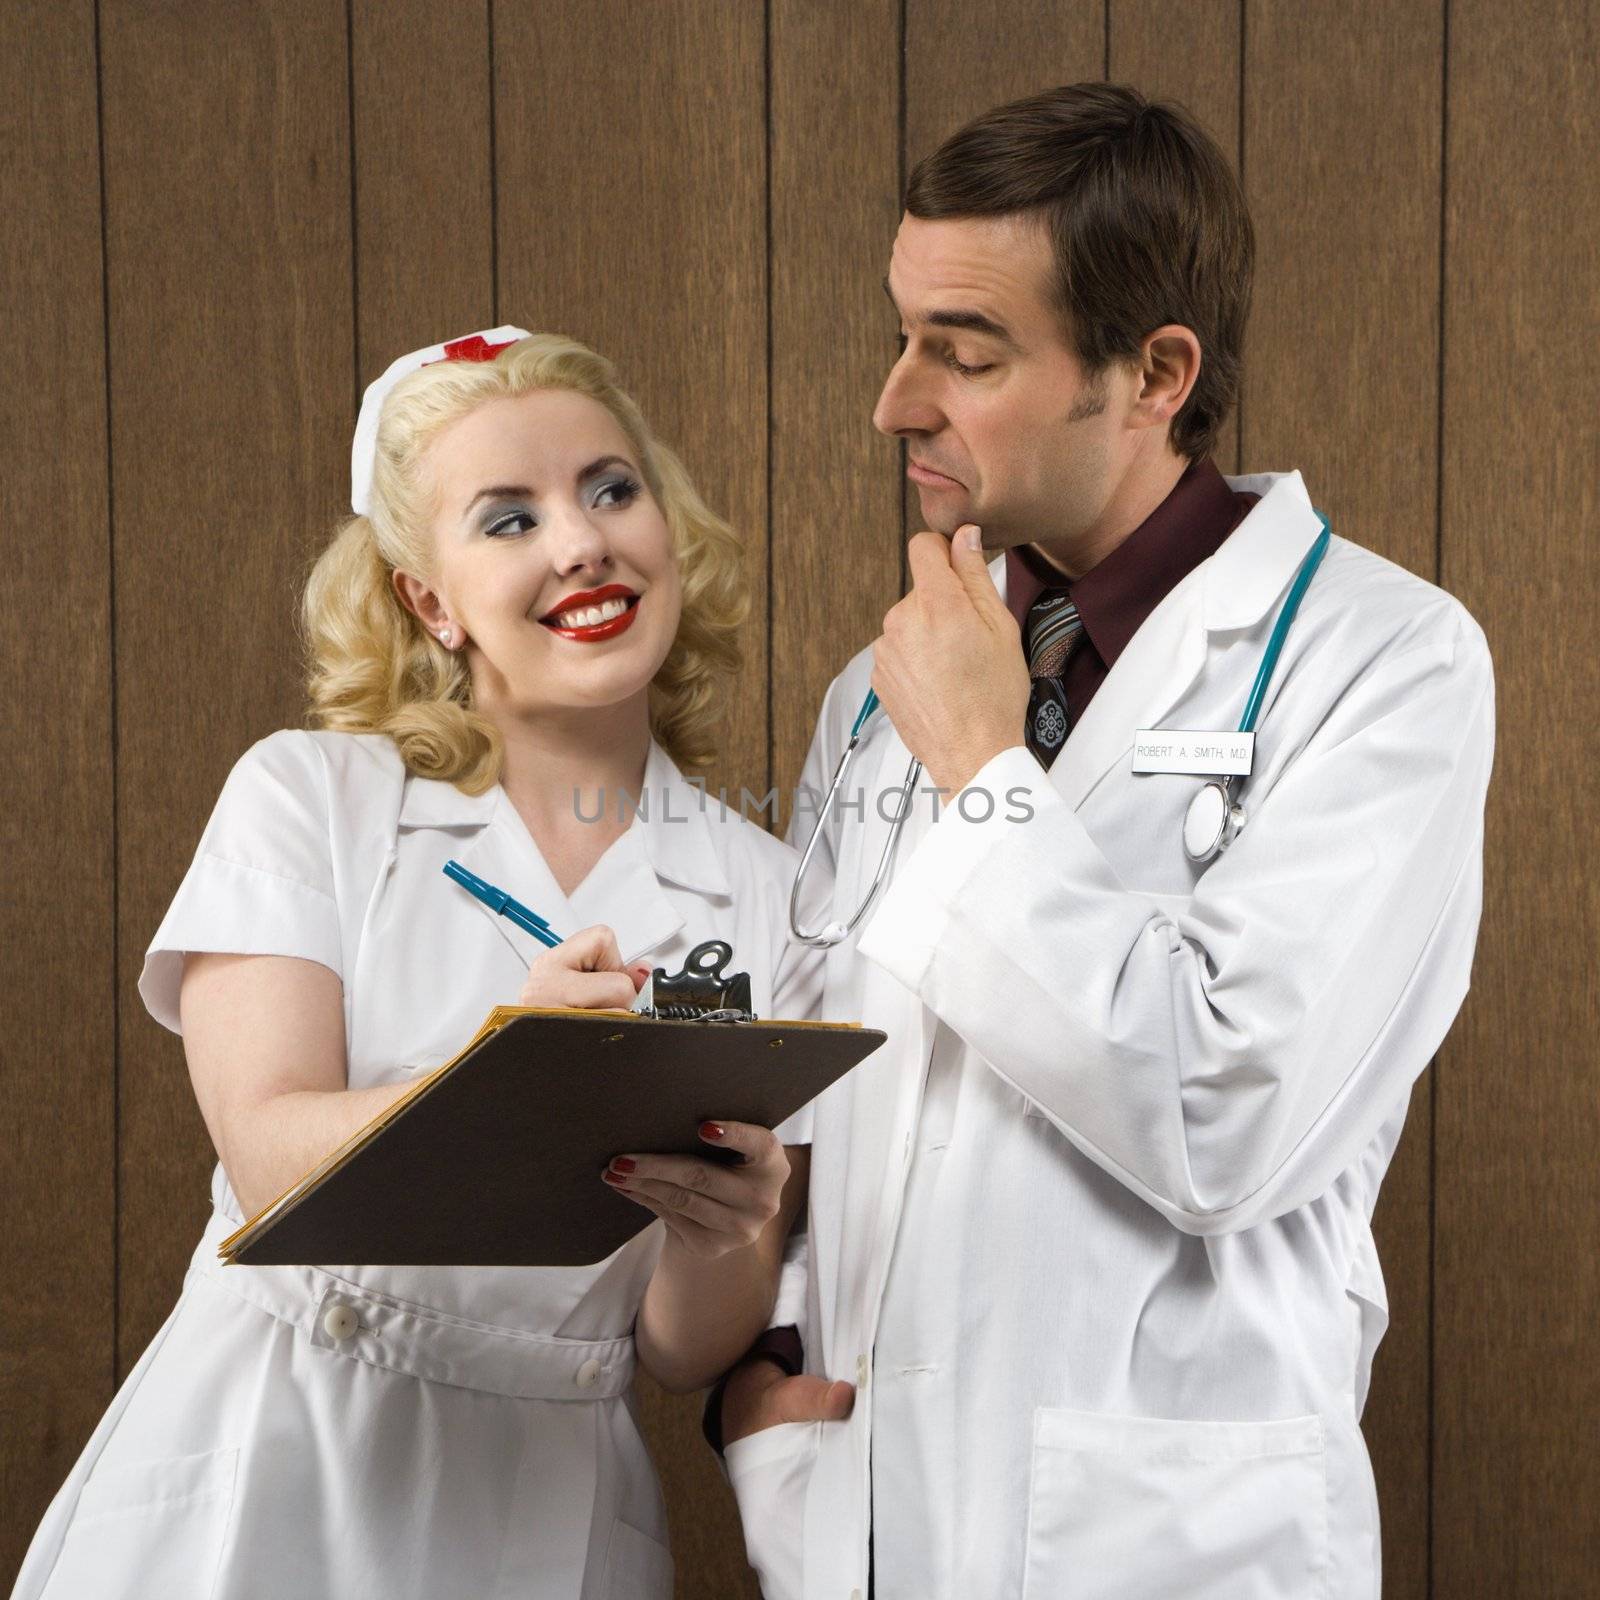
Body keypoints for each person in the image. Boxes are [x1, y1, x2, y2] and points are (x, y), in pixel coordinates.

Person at [716, 85, 1494, 1599]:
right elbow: (821, 1090)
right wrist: (767, 1399)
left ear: (1155, 375)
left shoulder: (1387, 661)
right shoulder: (877, 698)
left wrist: (989, 767)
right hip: (863, 1532)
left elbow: (1218, 1117)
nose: (895, 401)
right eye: (901, 335)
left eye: (967, 350)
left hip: (1161, 1544)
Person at [11, 328, 819, 1600]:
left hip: (553, 1499)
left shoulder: (767, 891)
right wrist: (509, 1069)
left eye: (611, 489)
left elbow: (679, 1348)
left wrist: (724, 1230)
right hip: (282, 1450)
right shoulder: (313, 798)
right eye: (508, 519)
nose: (580, 543)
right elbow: (267, 1156)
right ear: (427, 600)